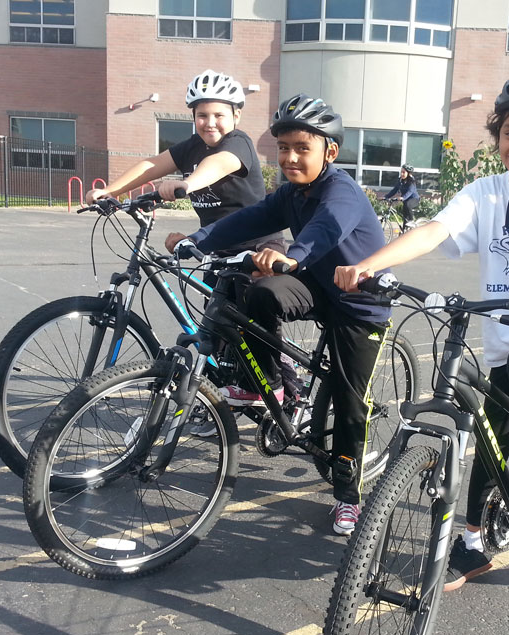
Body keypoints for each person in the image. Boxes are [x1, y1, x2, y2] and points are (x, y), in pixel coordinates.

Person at [334, 64, 509, 587]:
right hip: (506, 330)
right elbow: (436, 231)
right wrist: (371, 265)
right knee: (489, 432)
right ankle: (472, 541)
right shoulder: (484, 192)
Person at [175, 93, 391, 536]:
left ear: (330, 152)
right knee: (261, 294)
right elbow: (248, 219)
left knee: (352, 405)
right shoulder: (291, 193)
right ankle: (267, 384)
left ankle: (348, 495)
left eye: (302, 149)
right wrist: (197, 241)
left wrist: (291, 256)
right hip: (317, 283)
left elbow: (325, 228)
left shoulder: (342, 192)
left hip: (359, 301)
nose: (290, 157)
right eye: (284, 148)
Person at [85, 69, 285, 259]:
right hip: (217, 247)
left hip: (257, 247)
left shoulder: (238, 142)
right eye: (202, 115)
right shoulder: (192, 146)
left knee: (259, 294)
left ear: (236, 116)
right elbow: (152, 165)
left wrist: (187, 184)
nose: (210, 122)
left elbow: (220, 163)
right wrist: (110, 191)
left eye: (219, 115)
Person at [383, 163, 420, 233]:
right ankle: (404, 233)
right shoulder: (400, 181)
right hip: (405, 200)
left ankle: (412, 221)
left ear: (408, 173)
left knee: (408, 204)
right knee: (405, 219)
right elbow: (394, 190)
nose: (402, 174)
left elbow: (410, 191)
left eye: (404, 172)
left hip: (414, 199)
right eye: (401, 172)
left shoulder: (412, 181)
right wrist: (386, 196)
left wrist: (403, 197)